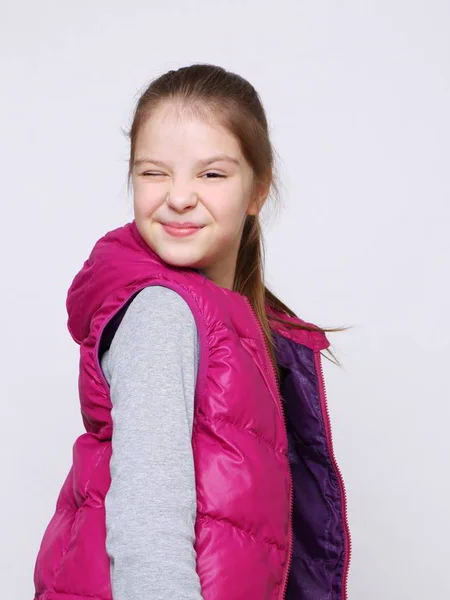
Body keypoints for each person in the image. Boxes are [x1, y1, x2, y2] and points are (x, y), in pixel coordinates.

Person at [32, 63, 351, 600]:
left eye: (211, 174)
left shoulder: (237, 322)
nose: (179, 196)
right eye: (153, 172)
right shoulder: (163, 314)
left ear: (258, 190)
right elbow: (148, 528)